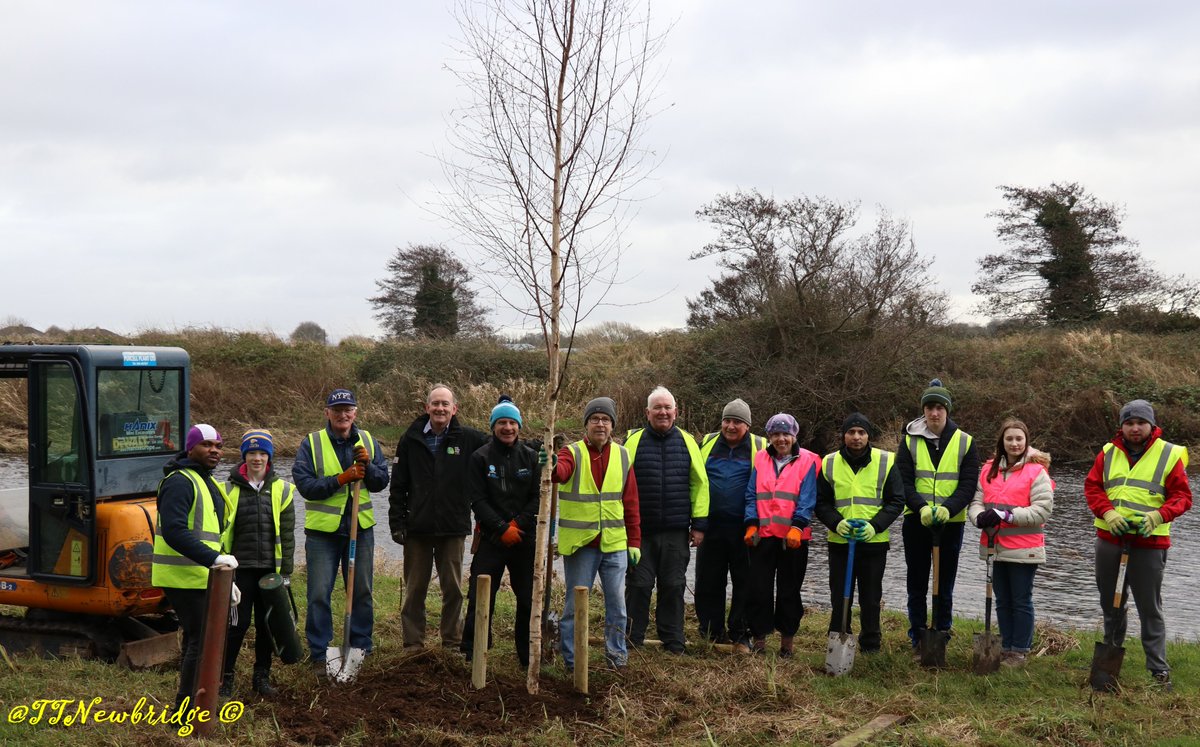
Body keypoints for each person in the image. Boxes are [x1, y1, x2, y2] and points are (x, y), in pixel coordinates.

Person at [1084, 399, 1192, 690]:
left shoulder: (1169, 454)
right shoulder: (1108, 453)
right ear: (1121, 426)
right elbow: (1093, 487)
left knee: (1149, 607)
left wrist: (1158, 516)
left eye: (1140, 423)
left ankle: (1158, 669)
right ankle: (1109, 657)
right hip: (1110, 539)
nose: (1134, 428)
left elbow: (1182, 497)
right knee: (1112, 603)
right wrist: (1107, 512)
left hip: (1150, 543)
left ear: (1151, 425)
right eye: (1129, 423)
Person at [293, 389, 389, 677]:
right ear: (327, 413)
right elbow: (306, 486)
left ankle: (360, 647)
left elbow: (381, 481)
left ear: (355, 413)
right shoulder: (311, 443)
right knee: (319, 593)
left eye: (348, 409)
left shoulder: (368, 441)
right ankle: (320, 653)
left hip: (360, 530)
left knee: (361, 590)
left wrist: (368, 466)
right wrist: (341, 479)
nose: (343, 415)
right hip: (323, 534)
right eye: (337, 410)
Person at [388, 384, 486, 650]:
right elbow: (398, 484)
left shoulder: (468, 438)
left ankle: (452, 642)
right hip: (417, 528)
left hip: (453, 528)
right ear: (426, 408)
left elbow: (502, 443)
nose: (440, 408)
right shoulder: (410, 438)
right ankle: (413, 645)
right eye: (435, 404)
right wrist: (396, 523)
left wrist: (536, 447)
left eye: (445, 404)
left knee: (453, 590)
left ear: (454, 409)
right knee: (414, 591)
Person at [551, 396, 641, 670]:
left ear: (612, 425)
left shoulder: (623, 455)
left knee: (617, 605)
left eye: (605, 419)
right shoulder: (572, 452)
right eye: (594, 419)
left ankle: (617, 657)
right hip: (582, 544)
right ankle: (572, 659)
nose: (600, 424)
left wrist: (634, 540)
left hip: (614, 544)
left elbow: (631, 502)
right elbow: (560, 473)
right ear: (586, 424)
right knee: (575, 605)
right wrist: (550, 463)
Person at [152, 424, 236, 712]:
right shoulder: (180, 482)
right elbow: (174, 532)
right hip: (182, 575)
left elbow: (211, 533)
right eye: (207, 445)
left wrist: (225, 573)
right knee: (200, 640)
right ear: (191, 448)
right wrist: (214, 559)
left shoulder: (205, 480)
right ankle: (184, 710)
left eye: (219, 446)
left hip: (199, 573)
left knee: (196, 639)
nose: (215, 450)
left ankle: (193, 706)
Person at [623, 386, 709, 654]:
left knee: (673, 585)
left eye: (667, 407)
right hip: (640, 532)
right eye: (657, 408)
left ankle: (673, 640)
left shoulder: (688, 442)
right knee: (639, 585)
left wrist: (700, 525)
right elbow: (621, 484)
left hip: (676, 531)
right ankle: (632, 638)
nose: (663, 412)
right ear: (647, 413)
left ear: (676, 411)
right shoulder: (633, 442)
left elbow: (700, 484)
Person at [897, 378, 980, 652]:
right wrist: (921, 507)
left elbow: (968, 484)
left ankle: (942, 632)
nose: (934, 413)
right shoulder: (909, 441)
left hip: (950, 524)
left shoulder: (965, 442)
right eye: (930, 407)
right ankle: (918, 635)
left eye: (939, 408)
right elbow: (904, 482)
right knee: (917, 583)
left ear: (947, 411)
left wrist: (948, 508)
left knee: (944, 585)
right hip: (916, 522)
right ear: (923, 410)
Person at [461, 395, 542, 667]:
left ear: (519, 426)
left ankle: (528, 655)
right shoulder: (480, 457)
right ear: (493, 426)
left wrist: (518, 525)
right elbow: (477, 500)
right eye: (502, 423)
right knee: (480, 596)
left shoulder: (531, 457)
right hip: (492, 538)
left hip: (524, 537)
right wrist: (501, 528)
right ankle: (474, 651)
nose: (507, 428)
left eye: (512, 423)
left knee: (530, 599)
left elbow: (538, 496)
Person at [814, 413, 905, 654]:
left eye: (861, 432)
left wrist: (875, 526)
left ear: (868, 436)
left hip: (873, 542)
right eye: (851, 432)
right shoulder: (829, 462)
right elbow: (821, 502)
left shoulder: (886, 461)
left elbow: (896, 501)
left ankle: (871, 645)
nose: (856, 437)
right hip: (840, 542)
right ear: (843, 435)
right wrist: (836, 523)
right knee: (839, 596)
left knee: (871, 598)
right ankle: (838, 638)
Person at [966, 418, 1053, 668]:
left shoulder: (1037, 472)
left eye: (1019, 439)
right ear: (1001, 442)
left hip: (1025, 548)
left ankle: (1019, 650)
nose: (1014, 443)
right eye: (1009, 439)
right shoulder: (989, 469)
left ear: (1026, 442)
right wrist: (978, 517)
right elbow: (977, 501)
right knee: (1002, 599)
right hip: (995, 545)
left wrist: (1006, 515)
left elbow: (1042, 511)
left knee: (1021, 599)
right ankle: (1004, 646)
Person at [220, 428, 297, 696]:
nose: (257, 458)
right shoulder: (226, 488)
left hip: (269, 572)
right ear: (244, 456)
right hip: (238, 571)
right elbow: (218, 531)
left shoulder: (283, 490)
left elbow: (287, 536)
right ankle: (225, 677)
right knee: (236, 626)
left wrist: (285, 573)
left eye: (262, 453)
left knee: (267, 627)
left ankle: (261, 677)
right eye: (252, 453)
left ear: (269, 456)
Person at [742, 413, 819, 657]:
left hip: (793, 539)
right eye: (775, 434)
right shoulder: (760, 459)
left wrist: (798, 526)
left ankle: (787, 643)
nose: (781, 439)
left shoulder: (809, 461)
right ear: (769, 436)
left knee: (789, 591)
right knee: (759, 589)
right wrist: (751, 523)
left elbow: (807, 499)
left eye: (786, 434)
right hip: (762, 536)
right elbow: (751, 494)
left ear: (794, 435)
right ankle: (760, 641)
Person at [695, 398, 765, 653]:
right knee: (708, 581)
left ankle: (740, 632)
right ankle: (711, 631)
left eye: (737, 421)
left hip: (746, 528)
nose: (731, 426)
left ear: (747, 425)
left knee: (745, 581)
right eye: (727, 420)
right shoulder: (707, 442)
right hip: (711, 526)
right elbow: (695, 479)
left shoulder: (761, 446)